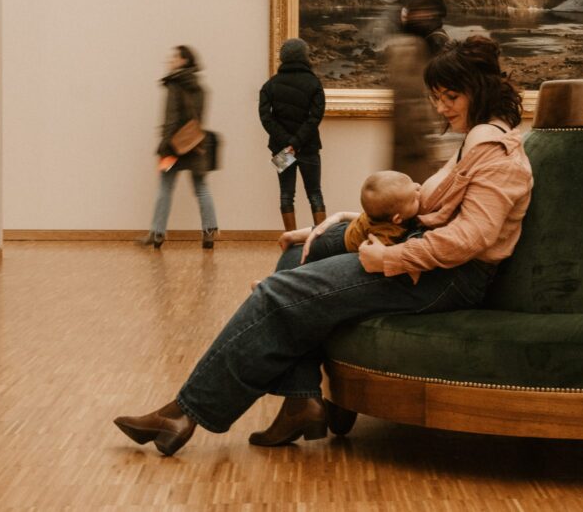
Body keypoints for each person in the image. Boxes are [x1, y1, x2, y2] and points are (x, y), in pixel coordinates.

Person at [114, 35, 532, 456]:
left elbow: (469, 238)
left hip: (445, 276)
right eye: (437, 97)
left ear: (479, 90)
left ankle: (184, 412)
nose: (441, 108)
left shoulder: (496, 152)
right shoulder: (478, 139)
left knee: (278, 293)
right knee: (298, 252)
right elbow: (425, 202)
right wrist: (347, 220)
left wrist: (389, 257)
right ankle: (301, 400)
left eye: (450, 97)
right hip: (423, 250)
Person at [137, 45, 219, 249]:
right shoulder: (200, 87)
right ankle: (209, 232)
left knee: (165, 188)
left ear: (184, 60)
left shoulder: (174, 84)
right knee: (201, 189)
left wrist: (164, 147)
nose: (170, 60)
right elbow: (198, 118)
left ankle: (157, 233)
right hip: (195, 144)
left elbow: (171, 118)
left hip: (174, 146)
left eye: (174, 57)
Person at [387, 0, 457, 183]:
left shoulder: (427, 44)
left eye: (426, 11)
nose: (422, 17)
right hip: (418, 151)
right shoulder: (412, 48)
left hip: (422, 151)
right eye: (418, 11)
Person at [278, 169, 422, 263]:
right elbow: (375, 253)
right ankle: (290, 240)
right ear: (397, 219)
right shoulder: (386, 233)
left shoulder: (380, 214)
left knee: (322, 231)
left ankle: (292, 235)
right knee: (312, 252)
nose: (419, 193)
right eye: (414, 199)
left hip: (344, 228)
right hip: (338, 244)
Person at [259, 38, 327, 231]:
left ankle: (290, 239)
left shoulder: (270, 84)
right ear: (304, 56)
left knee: (286, 195)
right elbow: (315, 117)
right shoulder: (314, 83)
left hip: (282, 149)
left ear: (283, 57)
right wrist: (297, 143)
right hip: (308, 147)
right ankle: (321, 239)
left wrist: (288, 144)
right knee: (315, 194)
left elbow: (266, 118)